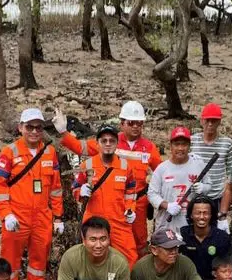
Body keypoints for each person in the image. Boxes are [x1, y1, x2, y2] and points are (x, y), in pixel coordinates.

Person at [53, 101, 161, 256]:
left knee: (139, 243)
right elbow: (80, 147)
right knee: (104, 243)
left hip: (137, 202)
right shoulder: (110, 140)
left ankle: (136, 277)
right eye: (131, 123)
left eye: (139, 123)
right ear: (122, 123)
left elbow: (161, 171)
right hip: (111, 202)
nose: (136, 126)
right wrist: (64, 132)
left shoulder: (149, 147)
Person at [0, 108, 63, 280]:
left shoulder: (50, 152)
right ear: (20, 128)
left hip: (42, 215)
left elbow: (56, 187)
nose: (34, 131)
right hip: (17, 215)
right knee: (10, 261)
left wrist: (58, 217)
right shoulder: (9, 152)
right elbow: (0, 186)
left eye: (38, 127)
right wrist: (6, 214)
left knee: (39, 260)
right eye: (29, 127)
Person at [73, 125, 138, 266]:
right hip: (93, 221)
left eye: (112, 140)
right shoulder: (87, 165)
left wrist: (130, 209)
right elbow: (75, 188)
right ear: (97, 143)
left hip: (119, 221)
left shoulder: (125, 166)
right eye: (104, 141)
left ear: (117, 143)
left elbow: (131, 191)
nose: (108, 144)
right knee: (92, 261)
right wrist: (81, 191)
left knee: (130, 259)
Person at [148, 126, 206, 232]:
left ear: (189, 146)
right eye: (176, 144)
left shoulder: (199, 165)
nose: (180, 148)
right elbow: (152, 194)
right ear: (170, 146)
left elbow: (209, 185)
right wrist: (166, 205)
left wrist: (204, 188)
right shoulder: (162, 168)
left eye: (184, 144)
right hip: (166, 224)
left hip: (192, 225)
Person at [189, 103, 232, 208]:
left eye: (214, 120)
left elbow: (231, 173)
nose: (210, 124)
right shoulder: (192, 141)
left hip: (217, 196)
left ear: (219, 122)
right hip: (194, 195)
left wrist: (229, 197)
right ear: (202, 121)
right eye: (207, 120)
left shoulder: (227, 143)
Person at [179, 195, 231, 280]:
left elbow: (226, 267)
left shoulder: (222, 237)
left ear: (211, 215)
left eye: (205, 213)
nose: (202, 217)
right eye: (198, 213)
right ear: (191, 215)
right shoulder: (183, 234)